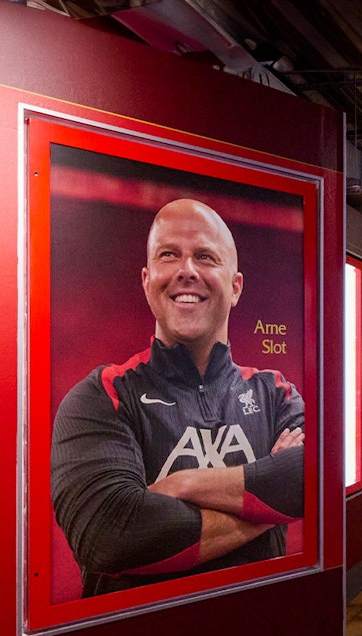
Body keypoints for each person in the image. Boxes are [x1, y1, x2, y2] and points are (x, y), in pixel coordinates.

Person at [50, 198, 305, 598]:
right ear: (147, 279)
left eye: (205, 256)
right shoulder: (102, 396)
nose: (187, 271)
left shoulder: (275, 393)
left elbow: (312, 478)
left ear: (235, 287)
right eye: (170, 255)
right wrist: (269, 507)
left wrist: (183, 484)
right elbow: (111, 536)